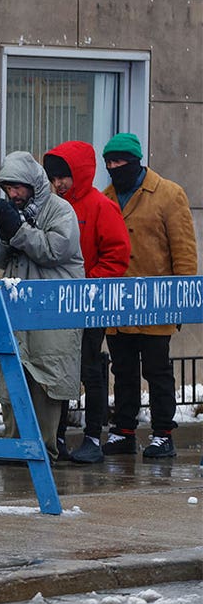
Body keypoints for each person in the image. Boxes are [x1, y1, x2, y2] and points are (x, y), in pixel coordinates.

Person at [101, 133, 197, 458]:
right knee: (123, 369)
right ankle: (124, 430)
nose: (114, 167)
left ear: (136, 160)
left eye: (119, 161)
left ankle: (163, 433)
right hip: (117, 302)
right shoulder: (107, 196)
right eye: (109, 162)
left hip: (157, 299)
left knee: (157, 370)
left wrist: (181, 299)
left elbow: (183, 250)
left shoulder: (169, 194)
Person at [0, 152, 84, 461]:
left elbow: (53, 250)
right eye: (7, 188)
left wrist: (17, 231)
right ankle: (13, 444)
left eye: (18, 188)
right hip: (18, 306)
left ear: (33, 185)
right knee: (12, 372)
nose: (13, 195)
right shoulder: (16, 213)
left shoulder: (60, 210)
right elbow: (1, 258)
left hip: (50, 309)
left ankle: (42, 448)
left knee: (46, 379)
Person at [43, 141, 130, 464]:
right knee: (60, 371)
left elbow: (117, 256)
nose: (58, 183)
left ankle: (93, 435)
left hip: (90, 304)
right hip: (61, 303)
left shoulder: (100, 206)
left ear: (79, 174)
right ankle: (59, 436)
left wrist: (87, 283)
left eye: (64, 177)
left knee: (90, 371)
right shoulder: (52, 205)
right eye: (53, 178)